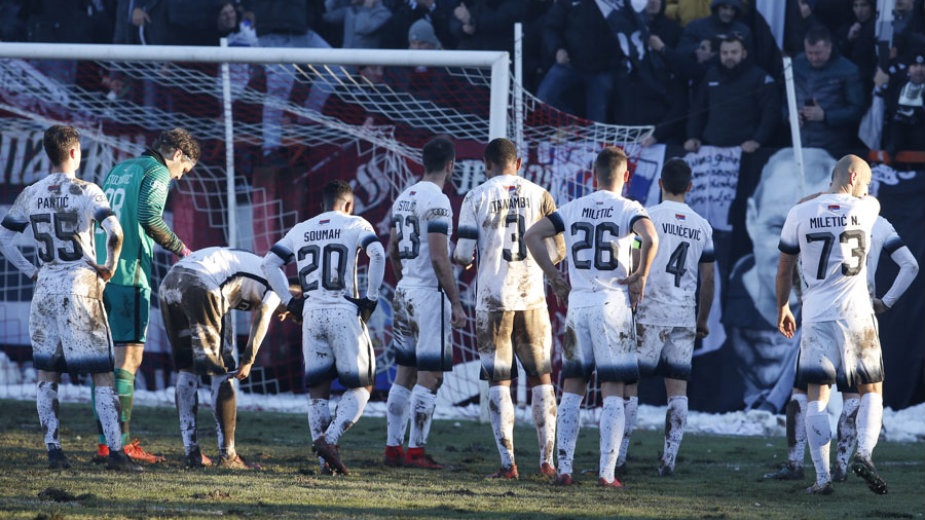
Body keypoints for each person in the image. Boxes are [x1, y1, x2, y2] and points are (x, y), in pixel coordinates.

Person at [0, 125, 140, 472]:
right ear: (75, 153)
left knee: (47, 373)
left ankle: (54, 452)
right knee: (102, 372)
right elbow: (115, 232)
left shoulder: (32, 192)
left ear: (48, 154)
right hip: (80, 285)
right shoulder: (87, 190)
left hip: (45, 286)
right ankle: (116, 453)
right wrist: (109, 267)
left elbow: (4, 240)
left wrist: (32, 271)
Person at [524, 146, 658, 488]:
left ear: (593, 175)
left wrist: (554, 277)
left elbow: (531, 236)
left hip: (579, 304)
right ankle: (606, 473)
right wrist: (641, 276)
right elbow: (650, 237)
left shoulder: (573, 207)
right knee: (613, 389)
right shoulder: (629, 207)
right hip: (613, 302)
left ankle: (564, 468)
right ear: (626, 175)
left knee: (572, 388)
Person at [764, 214, 918, 482]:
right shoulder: (877, 222)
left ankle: (799, 465)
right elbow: (910, 265)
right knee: (856, 395)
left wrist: (799, 297)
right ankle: (843, 465)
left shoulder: (815, 215)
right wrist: (887, 302)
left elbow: (792, 263)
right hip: (857, 317)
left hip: (820, 316)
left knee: (806, 393)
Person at [453, 137, 565, 480]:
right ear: (518, 163)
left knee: (499, 381)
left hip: (493, 299)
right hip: (532, 298)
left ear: (486, 165)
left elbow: (462, 254)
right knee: (542, 377)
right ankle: (547, 461)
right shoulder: (541, 194)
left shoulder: (476, 196)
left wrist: (470, 257)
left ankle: (508, 464)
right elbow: (558, 250)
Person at [776, 154, 885, 495]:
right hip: (857, 313)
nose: (867, 189)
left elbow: (784, 267)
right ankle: (864, 453)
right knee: (871, 389)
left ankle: (822, 479)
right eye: (865, 182)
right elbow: (861, 199)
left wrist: (783, 306)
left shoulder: (799, 212)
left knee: (816, 396)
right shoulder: (868, 208)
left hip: (816, 313)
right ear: (853, 178)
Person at [262, 180, 386, 476]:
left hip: (312, 313)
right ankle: (329, 440)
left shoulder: (301, 228)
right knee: (363, 385)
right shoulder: (355, 223)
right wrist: (370, 299)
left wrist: (289, 302)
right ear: (348, 204)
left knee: (318, 391)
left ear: (322, 205)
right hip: (343, 310)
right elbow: (378, 254)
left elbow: (269, 264)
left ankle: (324, 464)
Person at [93, 128, 200, 464]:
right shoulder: (157, 171)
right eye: (184, 170)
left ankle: (105, 443)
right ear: (178, 154)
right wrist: (182, 249)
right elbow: (149, 217)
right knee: (128, 360)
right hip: (128, 273)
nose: (180, 177)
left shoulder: (120, 168)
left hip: (99, 272)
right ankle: (121, 445)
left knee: (105, 364)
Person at [160, 247, 297, 469]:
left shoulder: (254, 268)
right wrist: (249, 360)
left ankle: (191, 452)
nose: (282, 317)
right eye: (289, 314)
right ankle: (228, 456)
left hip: (170, 280)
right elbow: (263, 314)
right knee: (224, 369)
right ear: (296, 295)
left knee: (186, 368)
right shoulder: (279, 280)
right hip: (202, 283)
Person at [621, 158, 714, 477]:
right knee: (677, 389)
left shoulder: (646, 217)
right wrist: (702, 319)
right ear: (690, 187)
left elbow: (634, 258)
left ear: (660, 184)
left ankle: (619, 457)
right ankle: (669, 460)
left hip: (650, 309)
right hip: (683, 313)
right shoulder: (702, 226)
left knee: (629, 383)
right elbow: (709, 278)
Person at [725, 147, 835, 413]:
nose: (792, 247)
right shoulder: (720, 305)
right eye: (777, 226)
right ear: (752, 218)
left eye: (812, 230)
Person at [383, 138, 467, 469]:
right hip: (429, 295)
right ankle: (416, 452)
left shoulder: (405, 196)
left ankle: (393, 447)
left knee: (404, 373)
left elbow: (392, 249)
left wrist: (404, 281)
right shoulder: (438, 200)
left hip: (404, 291)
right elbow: (438, 256)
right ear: (450, 165)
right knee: (430, 376)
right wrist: (456, 303)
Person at [684, 33, 779, 153]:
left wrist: (758, 140)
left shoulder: (760, 77)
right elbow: (698, 108)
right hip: (711, 147)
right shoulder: (711, 75)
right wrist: (693, 136)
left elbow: (770, 113)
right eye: (725, 53)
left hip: (746, 149)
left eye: (734, 52)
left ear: (744, 54)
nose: (729, 56)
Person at [791, 25, 865, 151]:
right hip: (800, 140)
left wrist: (825, 116)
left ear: (829, 47)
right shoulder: (796, 65)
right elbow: (785, 99)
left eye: (818, 53)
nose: (813, 58)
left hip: (832, 144)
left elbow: (857, 110)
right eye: (809, 53)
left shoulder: (848, 70)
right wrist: (790, 115)